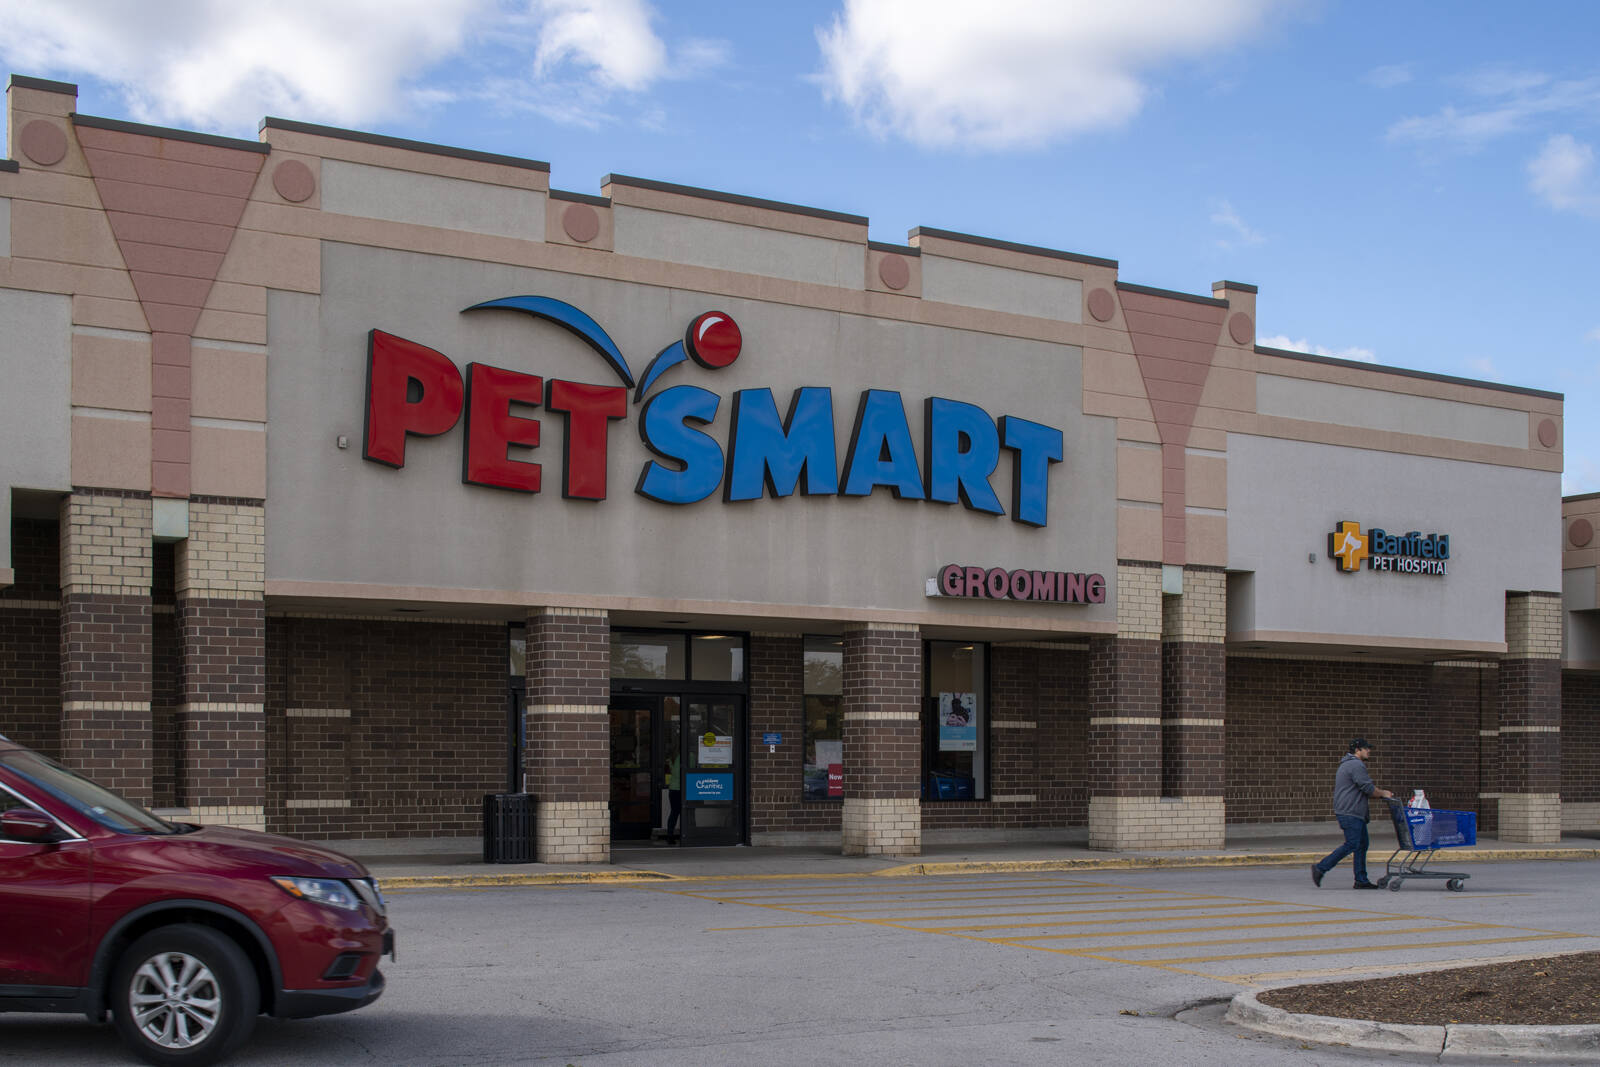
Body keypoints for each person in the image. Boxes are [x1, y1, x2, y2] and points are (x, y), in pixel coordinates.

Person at [1311, 737, 1394, 889]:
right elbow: (1368, 788)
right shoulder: (1356, 765)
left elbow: (1364, 790)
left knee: (1362, 845)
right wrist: (1384, 793)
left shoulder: (1348, 764)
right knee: (1352, 844)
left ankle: (1361, 880)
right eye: (1366, 748)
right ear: (1357, 750)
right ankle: (1321, 868)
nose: (1369, 751)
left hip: (1353, 811)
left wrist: (1380, 794)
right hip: (1350, 812)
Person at [664, 753, 682, 845]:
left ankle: (670, 836)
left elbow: (676, 773)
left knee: (674, 813)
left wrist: (670, 764)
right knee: (687, 812)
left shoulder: (678, 756)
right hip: (681, 788)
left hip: (675, 789)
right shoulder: (688, 756)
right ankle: (686, 834)